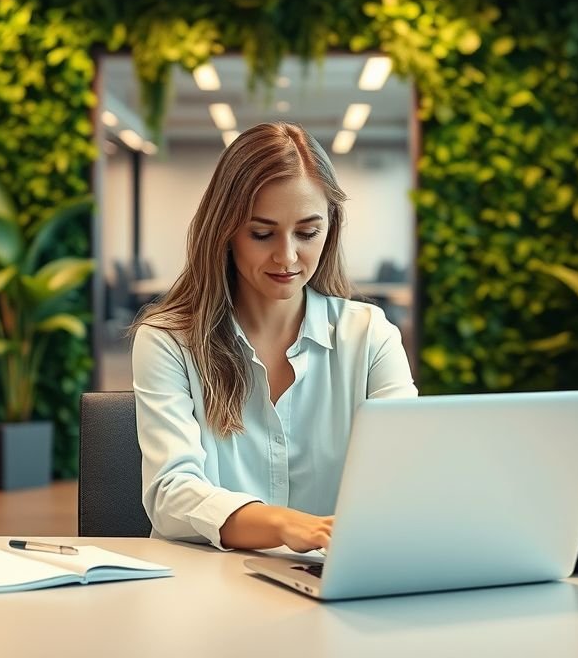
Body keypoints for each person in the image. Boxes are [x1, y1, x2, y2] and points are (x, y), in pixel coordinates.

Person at [130, 121, 417, 554]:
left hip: (336, 586)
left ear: (331, 228)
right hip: (203, 588)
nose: (286, 257)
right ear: (225, 232)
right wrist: (285, 525)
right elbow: (171, 494)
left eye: (307, 233)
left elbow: (408, 470)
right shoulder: (168, 341)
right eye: (261, 234)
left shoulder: (370, 335)